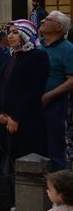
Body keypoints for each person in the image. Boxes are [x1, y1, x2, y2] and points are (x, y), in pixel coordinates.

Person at [0, 20, 50, 211]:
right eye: (9, 32)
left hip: (27, 122)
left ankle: (24, 207)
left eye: (15, 32)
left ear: (26, 35)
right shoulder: (9, 57)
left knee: (23, 160)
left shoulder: (38, 57)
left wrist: (17, 117)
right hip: (5, 120)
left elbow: (34, 90)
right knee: (1, 161)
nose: (10, 36)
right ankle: (0, 205)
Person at [38, 11, 73, 171]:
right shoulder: (39, 47)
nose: (43, 20)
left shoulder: (68, 49)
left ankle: (60, 190)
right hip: (35, 104)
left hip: (55, 106)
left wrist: (49, 95)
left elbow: (71, 80)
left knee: (55, 150)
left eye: (48, 19)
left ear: (58, 27)